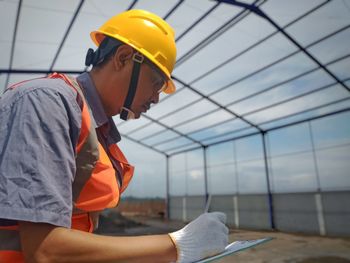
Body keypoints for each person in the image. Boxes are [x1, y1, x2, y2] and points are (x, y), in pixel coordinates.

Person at [0, 9, 228, 263]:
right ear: (122, 58)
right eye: (156, 83)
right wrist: (177, 244)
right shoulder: (47, 103)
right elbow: (44, 250)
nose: (155, 98)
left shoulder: (95, 127)